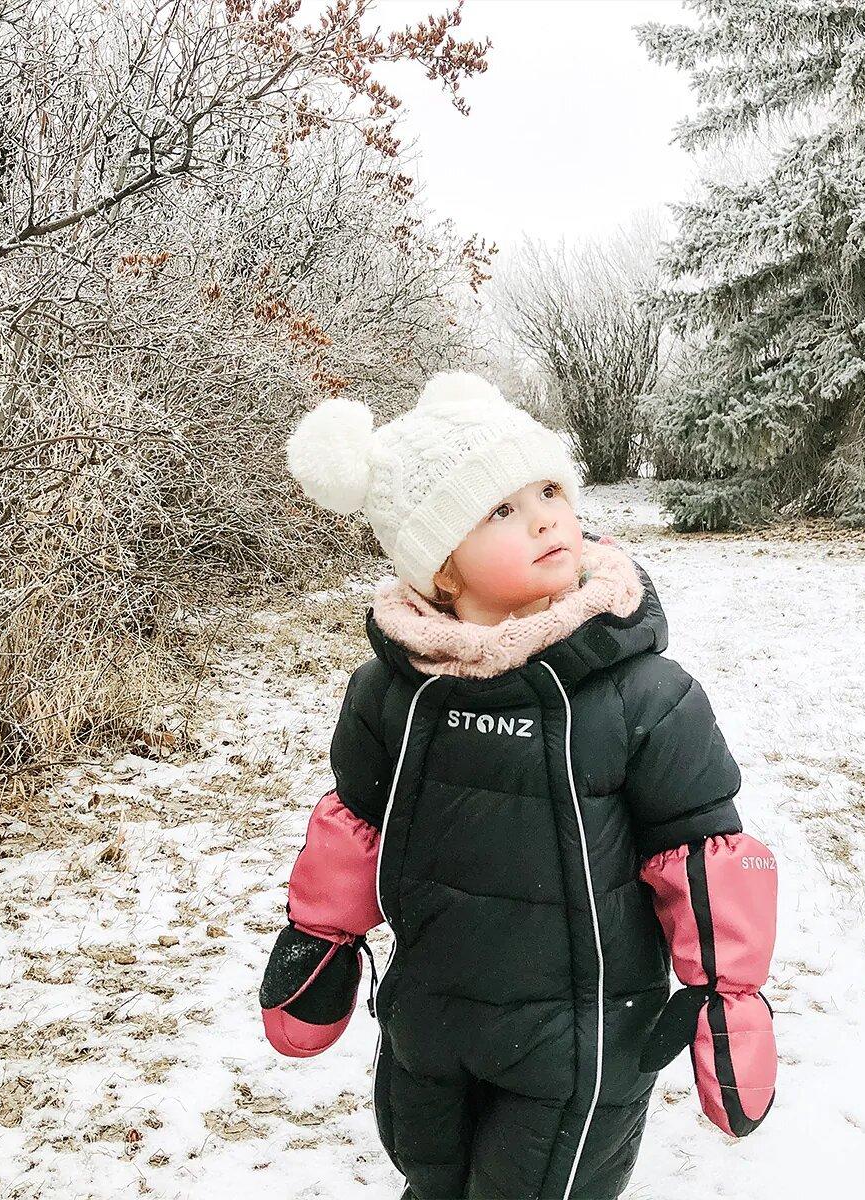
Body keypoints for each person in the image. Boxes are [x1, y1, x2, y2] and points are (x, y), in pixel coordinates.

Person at [259, 370, 780, 1200]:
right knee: (428, 1180)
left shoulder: (643, 696)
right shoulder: (392, 693)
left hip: (581, 1042)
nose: (544, 515)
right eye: (499, 508)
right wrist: (320, 942)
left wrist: (729, 994)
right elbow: (355, 825)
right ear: (442, 569)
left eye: (548, 490)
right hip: (427, 1025)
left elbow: (701, 852)